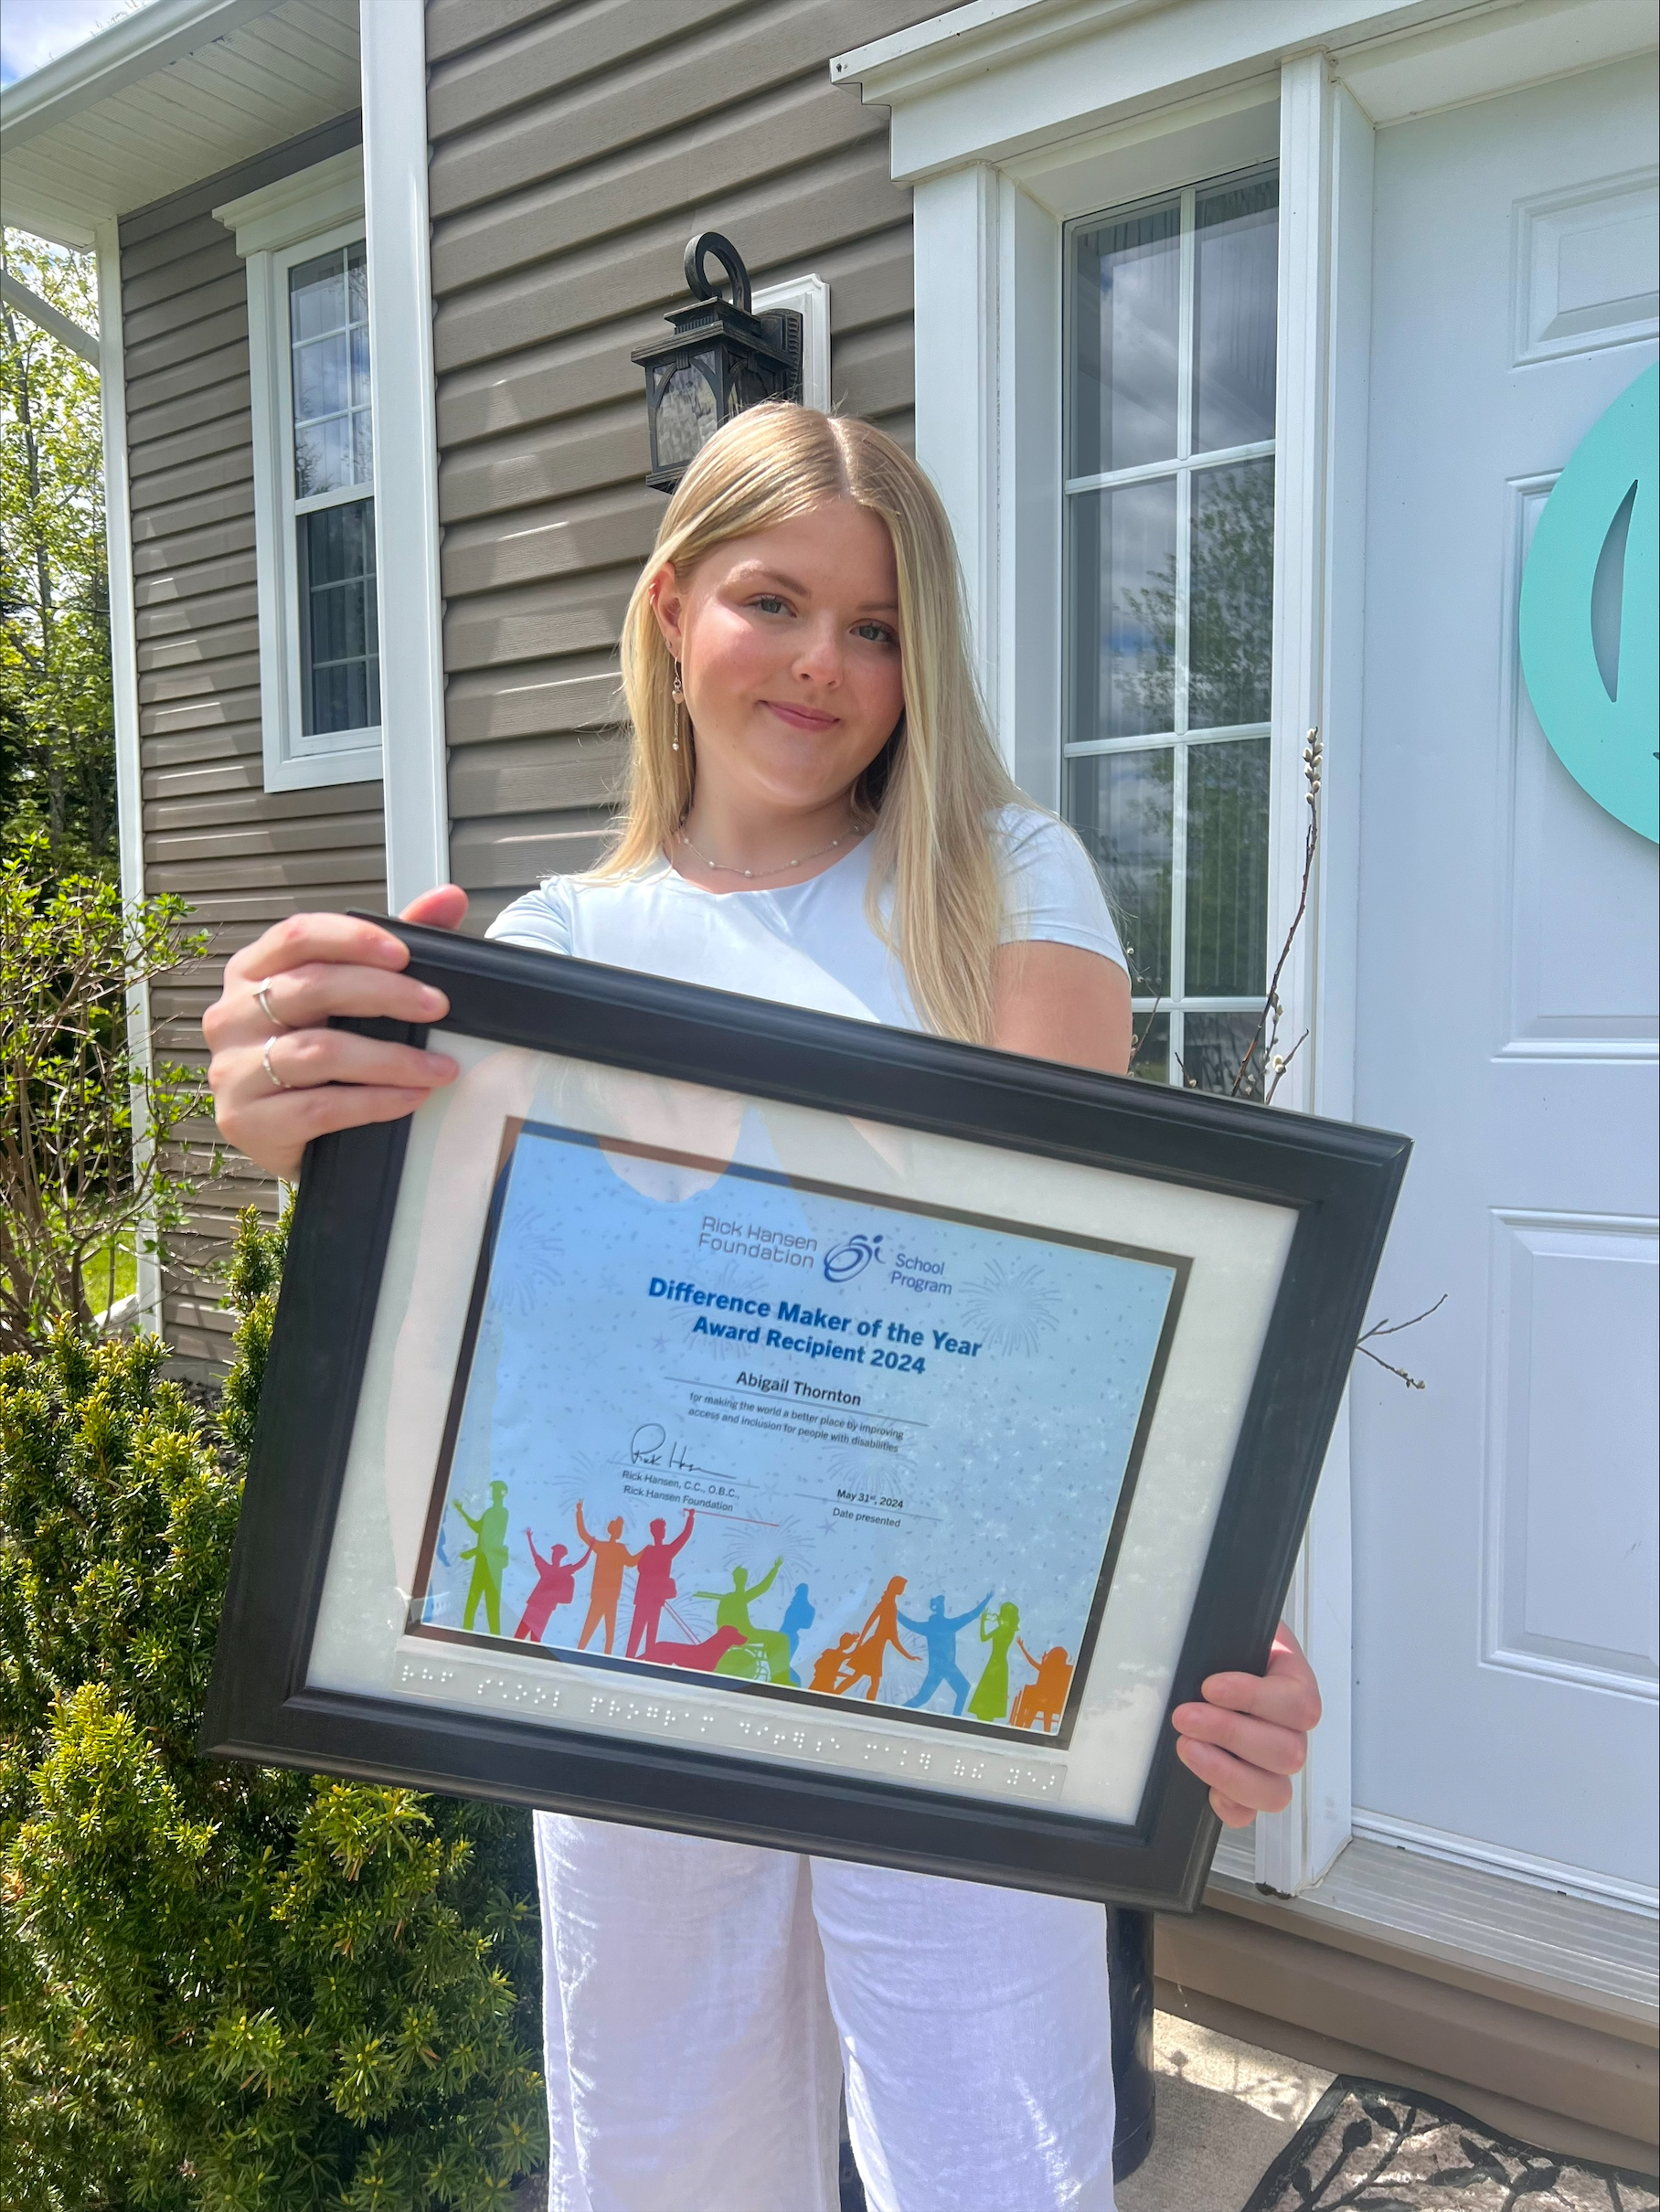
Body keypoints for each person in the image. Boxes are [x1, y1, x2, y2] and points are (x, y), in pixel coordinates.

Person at [203, 403, 1323, 2212]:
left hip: (944, 1683)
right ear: (667, 609)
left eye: (876, 625)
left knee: (991, 2166)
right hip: (632, 1679)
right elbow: (469, 1362)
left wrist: (1208, 1633)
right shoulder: (550, 961)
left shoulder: (1001, 885)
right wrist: (314, 1145)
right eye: (768, 598)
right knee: (661, 2166)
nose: (822, 661)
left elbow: (1090, 1350)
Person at [624, 1508, 696, 1658]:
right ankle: (629, 1660)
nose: (662, 1532)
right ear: (654, 1532)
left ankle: (646, 1662)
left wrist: (691, 1518)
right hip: (646, 1599)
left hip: (654, 1600)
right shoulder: (651, 1551)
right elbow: (641, 1569)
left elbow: (684, 1536)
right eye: (660, 1529)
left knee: (650, 1636)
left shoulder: (666, 1551)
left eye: (663, 1529)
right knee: (636, 1635)